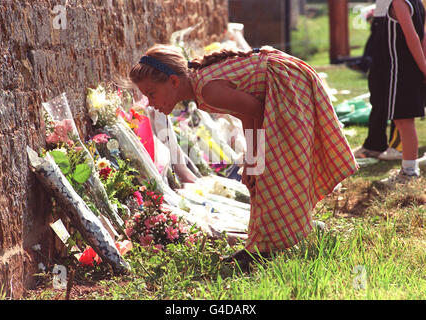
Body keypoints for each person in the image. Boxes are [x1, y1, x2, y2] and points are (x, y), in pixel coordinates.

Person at [129, 44, 358, 269]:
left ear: (173, 81)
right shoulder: (201, 88)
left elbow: (258, 111)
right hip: (277, 90)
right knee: (261, 171)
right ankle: (261, 245)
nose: (150, 102)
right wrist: (251, 162)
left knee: (277, 168)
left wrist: (255, 161)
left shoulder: (208, 90)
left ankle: (275, 242)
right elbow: (247, 114)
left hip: (288, 85)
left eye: (151, 93)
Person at [368, 0, 426, 181]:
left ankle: (409, 172)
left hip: (399, 71)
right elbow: (423, 36)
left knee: (404, 121)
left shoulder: (400, 2)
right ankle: (409, 169)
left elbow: (412, 37)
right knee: (405, 121)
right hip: (409, 69)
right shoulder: (418, 2)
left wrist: (424, 68)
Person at [353, 0, 405, 161]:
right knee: (377, 93)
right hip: (381, 25)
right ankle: (374, 144)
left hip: (398, 30)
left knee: (398, 95)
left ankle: (398, 146)